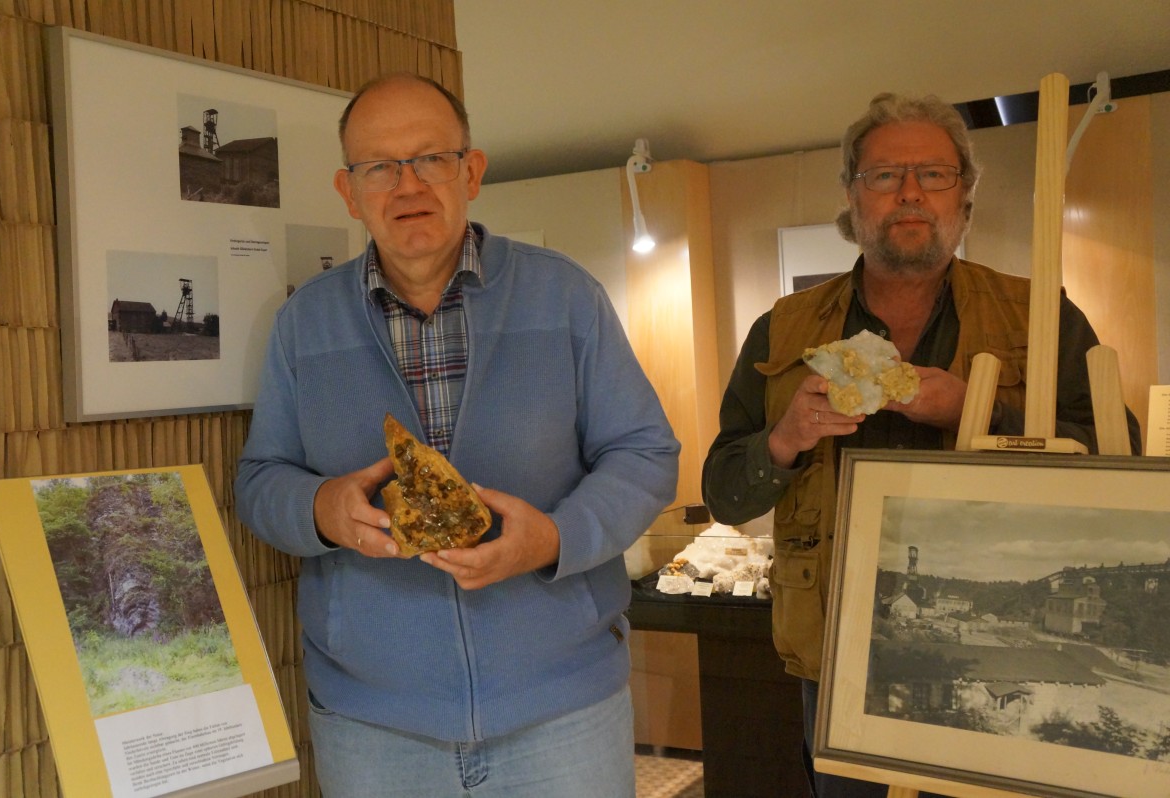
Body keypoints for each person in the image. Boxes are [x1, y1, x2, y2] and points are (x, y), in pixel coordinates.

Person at [235, 73, 679, 797]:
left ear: (471, 170)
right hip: (372, 727)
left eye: (430, 158)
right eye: (379, 166)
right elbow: (260, 479)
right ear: (349, 191)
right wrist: (321, 508)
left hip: (563, 713)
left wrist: (554, 539)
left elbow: (645, 452)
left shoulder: (565, 297)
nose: (406, 184)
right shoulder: (303, 324)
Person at [701, 92, 1141, 798]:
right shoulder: (781, 330)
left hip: (993, 665)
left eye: (933, 174)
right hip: (834, 662)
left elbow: (1122, 459)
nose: (909, 192)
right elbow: (723, 492)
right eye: (884, 175)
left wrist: (979, 407)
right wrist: (784, 440)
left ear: (964, 195)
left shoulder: (1043, 317)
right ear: (852, 196)